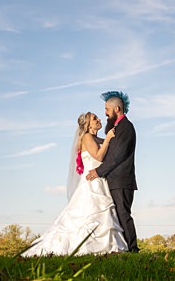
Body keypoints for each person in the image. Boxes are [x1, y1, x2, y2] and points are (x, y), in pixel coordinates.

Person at [24, 112, 127, 256]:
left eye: (97, 117)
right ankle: (87, 247)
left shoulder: (96, 138)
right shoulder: (87, 137)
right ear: (88, 124)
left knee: (103, 215)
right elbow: (98, 155)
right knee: (89, 215)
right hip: (91, 184)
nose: (98, 120)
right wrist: (109, 138)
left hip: (101, 182)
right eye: (94, 118)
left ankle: (108, 247)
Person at [87, 90, 138, 252]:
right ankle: (124, 248)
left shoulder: (126, 127)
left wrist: (98, 171)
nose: (105, 114)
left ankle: (133, 249)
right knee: (118, 216)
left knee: (123, 215)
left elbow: (117, 156)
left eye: (107, 110)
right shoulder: (117, 127)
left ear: (116, 109)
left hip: (122, 180)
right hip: (115, 180)